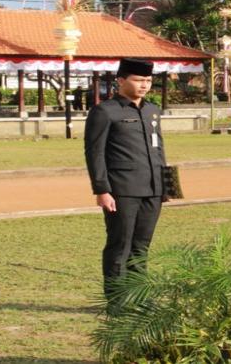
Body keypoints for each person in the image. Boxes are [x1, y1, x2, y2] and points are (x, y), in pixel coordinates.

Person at [84, 58, 166, 297]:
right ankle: (117, 300)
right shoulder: (105, 112)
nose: (144, 85)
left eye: (148, 81)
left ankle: (138, 297)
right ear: (121, 81)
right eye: (139, 80)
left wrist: (165, 185)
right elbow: (95, 152)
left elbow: (158, 149)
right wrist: (101, 190)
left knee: (141, 246)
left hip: (152, 189)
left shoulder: (152, 111)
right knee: (120, 245)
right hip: (122, 190)